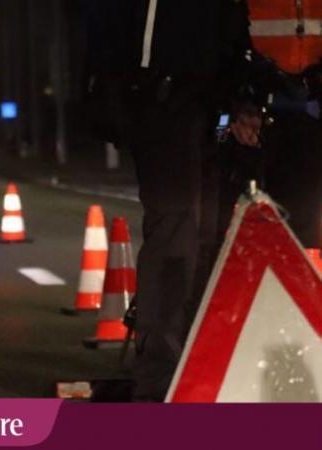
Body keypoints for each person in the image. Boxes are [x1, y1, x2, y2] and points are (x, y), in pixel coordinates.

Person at [86, 0, 253, 401]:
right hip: (167, 102)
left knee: (211, 239)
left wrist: (243, 100)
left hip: (213, 110)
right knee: (178, 236)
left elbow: (232, 30)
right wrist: (110, 90)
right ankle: (161, 379)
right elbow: (117, 26)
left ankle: (197, 366)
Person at [223, 0, 322, 254]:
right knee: (237, 226)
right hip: (254, 113)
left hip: (307, 112)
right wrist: (234, 101)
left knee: (304, 227)